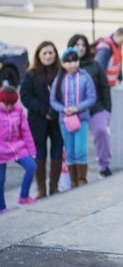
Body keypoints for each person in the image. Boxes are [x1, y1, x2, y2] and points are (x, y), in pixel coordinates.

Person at [20, 41, 63, 199]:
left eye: (51, 53)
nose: (48, 56)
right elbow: (26, 97)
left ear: (55, 54)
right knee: (40, 152)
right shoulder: (30, 74)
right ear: (38, 55)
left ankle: (54, 187)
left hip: (58, 118)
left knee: (57, 150)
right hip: (38, 120)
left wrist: (55, 111)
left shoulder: (61, 71)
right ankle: (41, 189)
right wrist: (44, 111)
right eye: (44, 53)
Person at [68, 34, 112, 178]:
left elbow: (104, 87)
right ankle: (73, 175)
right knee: (74, 144)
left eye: (83, 45)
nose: (80, 48)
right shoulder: (65, 65)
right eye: (77, 45)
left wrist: (107, 110)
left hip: (96, 109)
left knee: (101, 132)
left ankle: (104, 167)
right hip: (73, 112)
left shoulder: (95, 65)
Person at [50, 48, 96, 187]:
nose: (72, 64)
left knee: (80, 150)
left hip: (81, 118)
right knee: (69, 151)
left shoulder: (85, 77)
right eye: (68, 62)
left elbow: (91, 97)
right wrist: (64, 109)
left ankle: (82, 180)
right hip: (65, 120)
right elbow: (53, 101)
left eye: (75, 61)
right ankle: (74, 182)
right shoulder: (59, 79)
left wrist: (77, 108)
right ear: (63, 64)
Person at [0, 86, 37, 213]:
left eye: (11, 104)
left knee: (31, 166)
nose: (9, 107)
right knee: (0, 179)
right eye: (5, 104)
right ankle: (1, 207)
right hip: (1, 149)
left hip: (17, 146)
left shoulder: (19, 111)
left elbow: (26, 131)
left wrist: (32, 151)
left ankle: (24, 196)